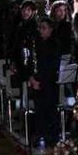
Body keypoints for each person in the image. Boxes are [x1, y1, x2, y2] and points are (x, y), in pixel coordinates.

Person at [28, 17, 61, 146]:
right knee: (39, 111)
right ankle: (39, 135)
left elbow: (52, 66)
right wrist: (32, 79)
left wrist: (40, 81)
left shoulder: (55, 44)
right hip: (37, 82)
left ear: (50, 30)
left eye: (44, 28)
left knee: (51, 112)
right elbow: (31, 63)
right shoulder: (36, 43)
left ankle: (52, 139)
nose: (41, 30)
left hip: (50, 84)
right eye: (39, 28)